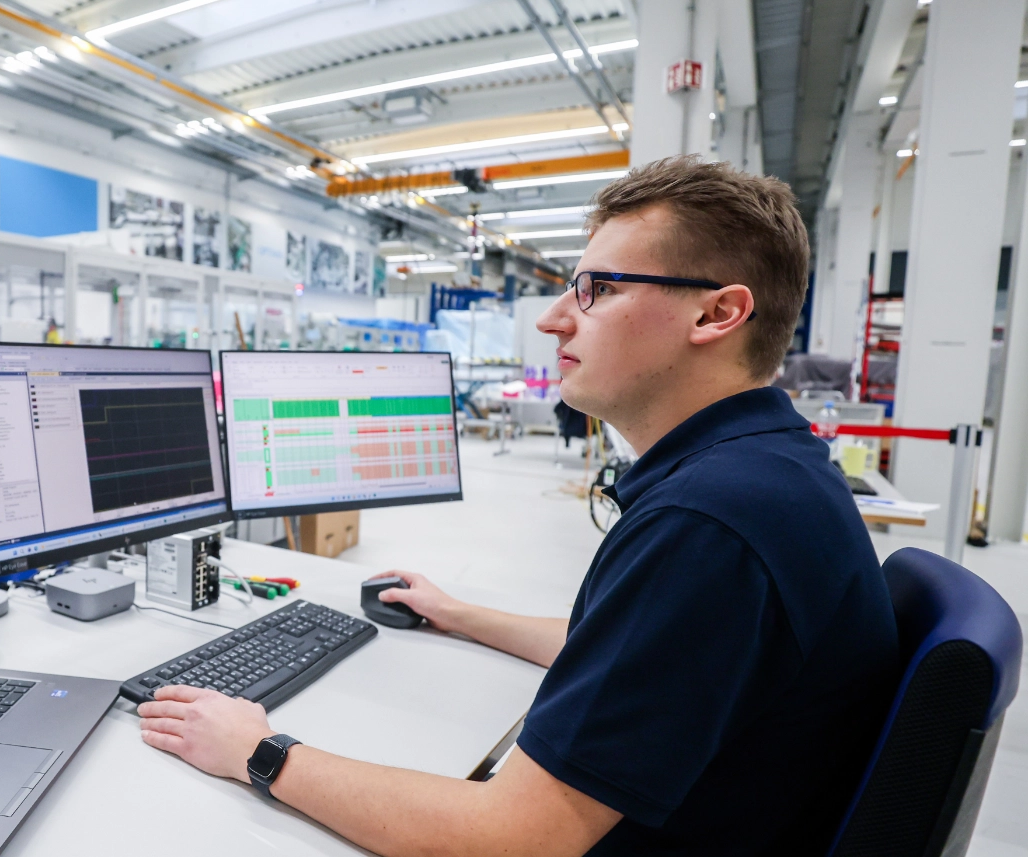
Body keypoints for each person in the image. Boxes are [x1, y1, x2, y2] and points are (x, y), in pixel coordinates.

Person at [137, 156, 899, 856]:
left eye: (598, 289)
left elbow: (516, 837)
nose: (553, 318)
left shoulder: (709, 523)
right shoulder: (769, 469)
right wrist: (458, 614)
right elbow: (624, 645)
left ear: (715, 314)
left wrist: (259, 752)